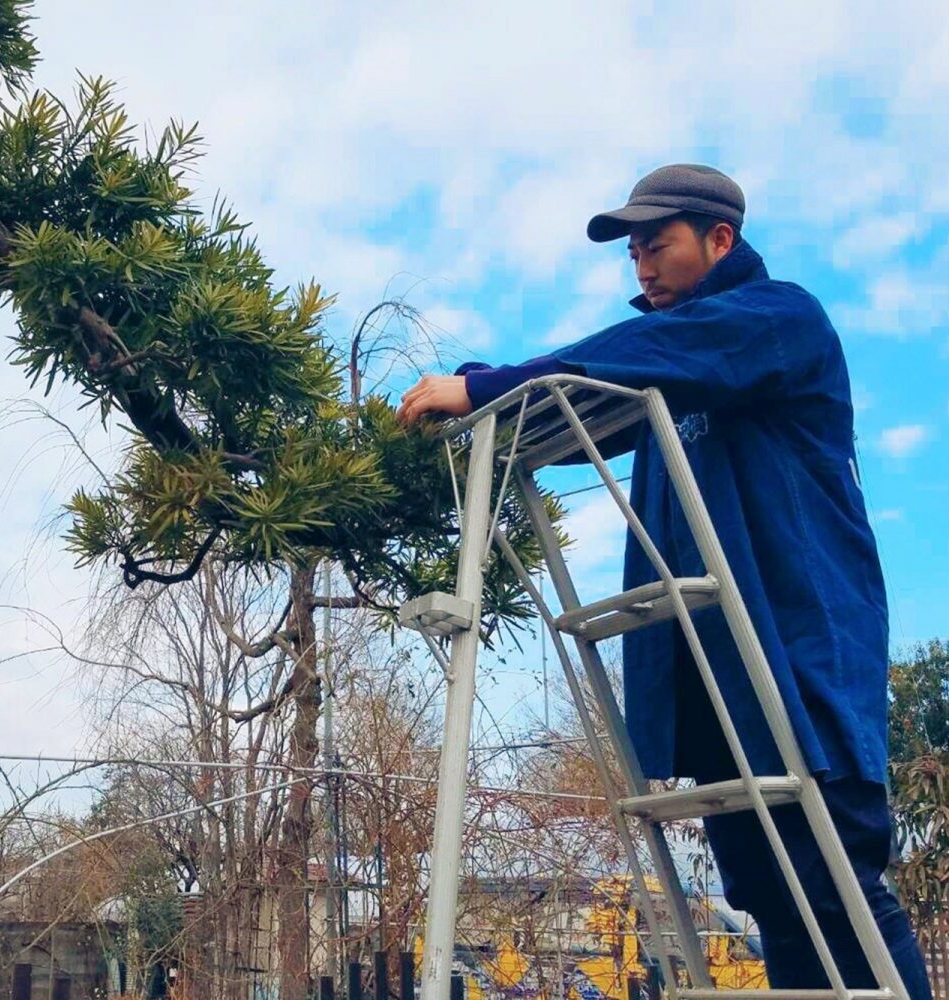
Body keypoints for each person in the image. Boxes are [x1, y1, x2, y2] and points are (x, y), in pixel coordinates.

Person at [397, 164, 932, 1000]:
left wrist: (485, 384)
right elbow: (589, 406)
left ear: (721, 241)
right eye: (634, 253)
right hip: (720, 670)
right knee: (767, 897)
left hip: (798, 658)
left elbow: (650, 350)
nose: (642, 267)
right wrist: (485, 406)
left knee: (834, 882)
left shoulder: (776, 320)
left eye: (659, 246)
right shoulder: (662, 366)